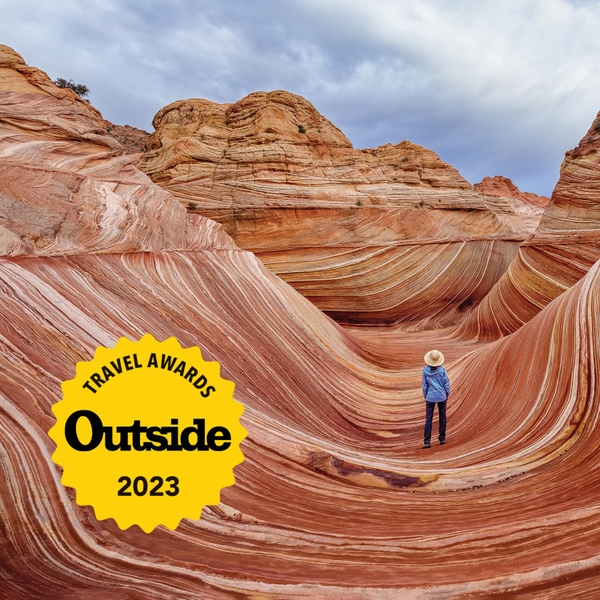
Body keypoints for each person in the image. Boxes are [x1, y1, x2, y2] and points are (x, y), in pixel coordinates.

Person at [421, 350, 449, 449]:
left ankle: (427, 441)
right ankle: (442, 438)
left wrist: (426, 396)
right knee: (443, 417)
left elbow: (424, 386)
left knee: (429, 418)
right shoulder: (442, 370)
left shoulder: (425, 371)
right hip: (441, 396)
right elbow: (446, 384)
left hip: (430, 397)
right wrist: (446, 394)